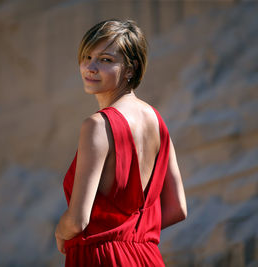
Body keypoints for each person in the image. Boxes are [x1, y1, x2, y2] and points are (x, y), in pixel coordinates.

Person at [55, 19, 187, 266]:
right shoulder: (158, 122)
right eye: (87, 56)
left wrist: (60, 232)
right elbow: (178, 208)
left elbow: (77, 220)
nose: (90, 67)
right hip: (147, 258)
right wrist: (132, 232)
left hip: (101, 257)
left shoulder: (97, 125)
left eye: (105, 60)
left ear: (131, 69)